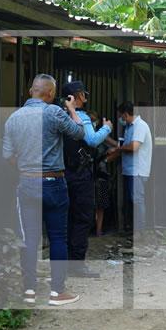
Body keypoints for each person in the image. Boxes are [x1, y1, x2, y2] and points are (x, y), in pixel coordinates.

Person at [1, 74, 88, 307]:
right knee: (58, 237)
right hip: (54, 184)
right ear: (50, 94)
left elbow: (7, 156)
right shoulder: (54, 112)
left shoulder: (13, 118)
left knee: (28, 240)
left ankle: (29, 291)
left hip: (27, 184)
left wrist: (25, 167)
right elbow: (80, 134)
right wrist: (71, 109)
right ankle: (57, 292)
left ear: (31, 91)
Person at [61, 80, 113, 278]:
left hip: (62, 173)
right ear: (77, 96)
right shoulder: (81, 116)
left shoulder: (58, 114)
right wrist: (107, 128)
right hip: (80, 175)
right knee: (82, 219)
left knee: (66, 218)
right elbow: (92, 140)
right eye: (83, 93)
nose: (86, 97)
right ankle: (77, 265)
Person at [109, 102, 153, 233]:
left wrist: (118, 149)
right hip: (131, 170)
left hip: (137, 170)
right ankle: (136, 229)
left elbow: (134, 146)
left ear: (126, 114)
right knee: (133, 200)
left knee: (137, 200)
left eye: (121, 116)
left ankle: (141, 230)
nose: (120, 119)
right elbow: (122, 144)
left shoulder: (140, 126)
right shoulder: (129, 127)